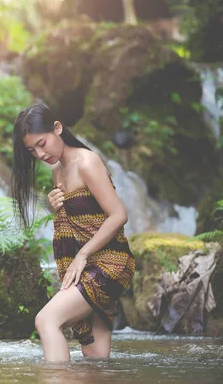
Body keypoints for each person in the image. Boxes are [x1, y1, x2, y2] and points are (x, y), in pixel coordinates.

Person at [11, 103, 135, 362]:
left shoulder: (86, 162)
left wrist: (82, 256)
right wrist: (55, 206)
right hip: (88, 263)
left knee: (46, 321)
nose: (40, 154)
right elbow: (78, 218)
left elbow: (118, 215)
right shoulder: (57, 170)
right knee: (95, 356)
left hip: (109, 261)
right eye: (32, 150)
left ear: (57, 128)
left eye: (42, 143)